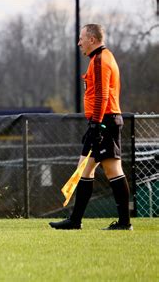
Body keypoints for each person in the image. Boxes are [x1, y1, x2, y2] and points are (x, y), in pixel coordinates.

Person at [49, 24, 132, 230]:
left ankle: (124, 223)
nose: (79, 43)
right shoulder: (101, 58)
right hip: (102, 121)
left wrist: (96, 125)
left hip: (105, 121)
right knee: (84, 169)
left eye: (81, 38)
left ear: (92, 40)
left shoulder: (101, 60)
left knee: (113, 170)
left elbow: (103, 95)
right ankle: (75, 221)